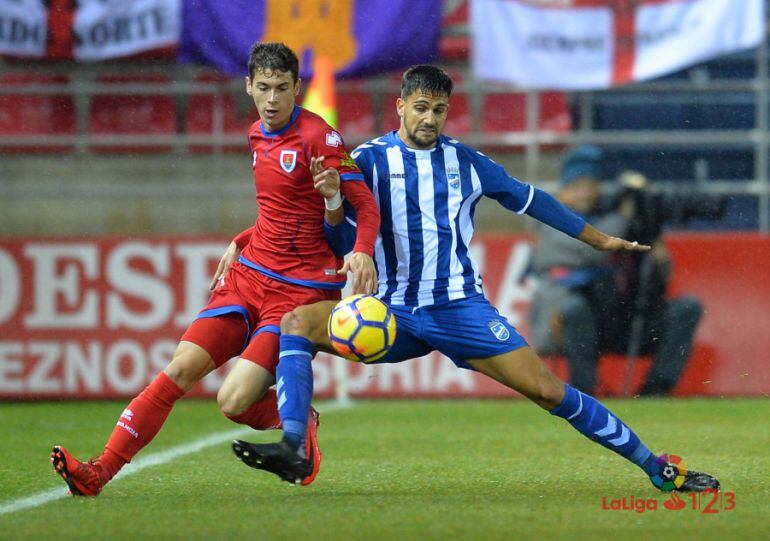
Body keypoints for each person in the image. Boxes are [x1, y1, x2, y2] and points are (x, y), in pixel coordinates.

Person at [229, 65, 719, 492]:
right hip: (391, 313)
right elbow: (336, 241)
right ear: (400, 106)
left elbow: (533, 201)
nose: (429, 119)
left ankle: (657, 469)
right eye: (421, 107)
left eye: (439, 110)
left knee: (549, 391)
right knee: (298, 323)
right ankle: (294, 444)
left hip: (460, 308)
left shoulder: (466, 162)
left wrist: (599, 239)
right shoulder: (369, 160)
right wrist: (331, 204)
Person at [49, 42, 380, 496]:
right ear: (248, 86)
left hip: (297, 291)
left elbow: (366, 205)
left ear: (296, 88)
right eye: (263, 87)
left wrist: (360, 250)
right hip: (249, 276)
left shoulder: (320, 137)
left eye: (282, 88)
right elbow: (277, 211)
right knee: (179, 369)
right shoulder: (254, 134)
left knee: (234, 401)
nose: (272, 99)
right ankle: (98, 472)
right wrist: (242, 239)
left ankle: (298, 421)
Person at [528, 147, 703, 396]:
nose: (585, 192)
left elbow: (661, 278)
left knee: (687, 307)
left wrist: (652, 241)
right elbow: (593, 248)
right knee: (575, 309)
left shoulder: (612, 220)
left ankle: (655, 392)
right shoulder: (551, 220)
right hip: (572, 323)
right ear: (563, 191)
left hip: (622, 320)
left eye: (591, 185)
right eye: (577, 186)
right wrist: (624, 216)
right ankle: (583, 396)